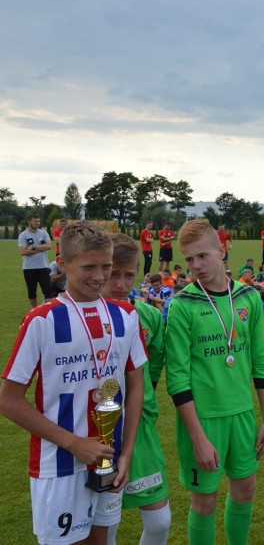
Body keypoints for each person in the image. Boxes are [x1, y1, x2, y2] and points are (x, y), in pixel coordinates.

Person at [0, 220, 146, 545]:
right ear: (63, 263)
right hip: (59, 463)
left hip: (110, 457)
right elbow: (8, 400)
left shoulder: (126, 315)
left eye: (106, 266)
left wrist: (127, 453)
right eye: (89, 266)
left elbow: (136, 387)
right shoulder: (40, 320)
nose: (99, 276)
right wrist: (74, 443)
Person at [165, 219, 264, 545]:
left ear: (221, 251)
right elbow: (177, 377)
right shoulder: (183, 304)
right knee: (205, 500)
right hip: (203, 419)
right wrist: (197, 438)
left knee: (245, 490)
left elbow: (259, 359)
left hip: (241, 414)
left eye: (202, 256)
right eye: (189, 260)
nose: (196, 265)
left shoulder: (248, 297)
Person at [104, 234, 172, 545]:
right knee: (106, 521)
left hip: (140, 426)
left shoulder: (149, 315)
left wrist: (144, 395)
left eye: (128, 275)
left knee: (160, 521)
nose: (120, 283)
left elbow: (156, 358)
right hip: (98, 429)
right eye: (112, 273)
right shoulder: (84, 317)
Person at [19, 213, 54, 308]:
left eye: (38, 221)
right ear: (29, 221)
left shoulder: (43, 233)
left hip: (44, 266)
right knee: (31, 290)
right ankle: (34, 310)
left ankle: (47, 311)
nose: (37, 223)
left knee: (47, 290)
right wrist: (41, 248)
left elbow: (49, 246)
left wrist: (33, 247)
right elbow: (23, 252)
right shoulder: (23, 235)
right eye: (35, 221)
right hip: (29, 267)